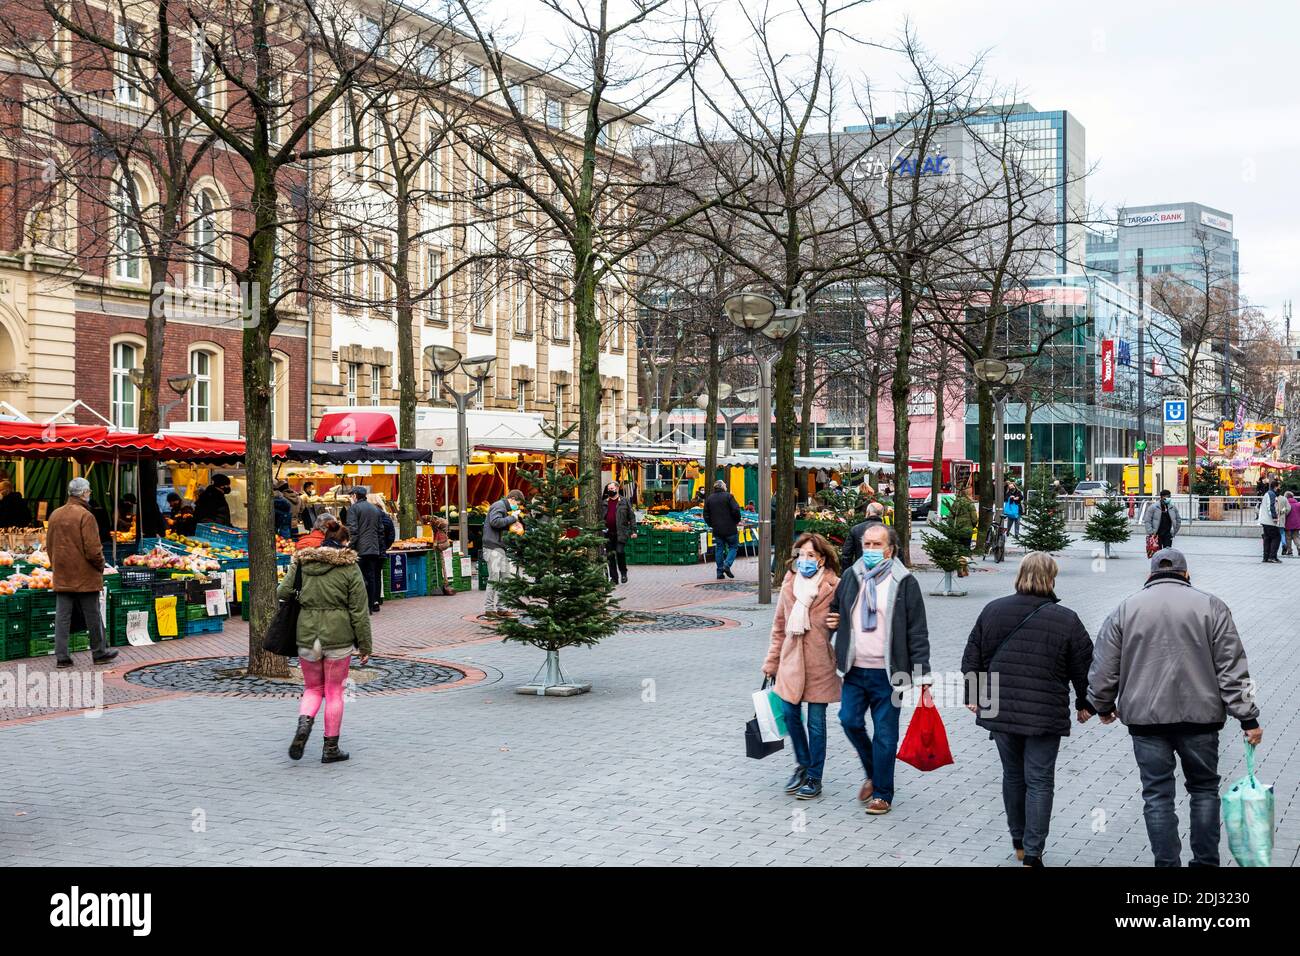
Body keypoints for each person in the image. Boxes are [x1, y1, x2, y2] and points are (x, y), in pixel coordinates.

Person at [1086, 548, 1262, 867]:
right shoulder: (1212, 606)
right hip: (1201, 721)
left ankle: (1167, 865)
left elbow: (1103, 668)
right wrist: (1248, 718)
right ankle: (1206, 862)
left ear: (1149, 575)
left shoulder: (1125, 609)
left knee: (1157, 795)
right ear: (1186, 574)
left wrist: (1102, 705)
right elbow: (1233, 667)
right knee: (1205, 791)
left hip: (1145, 722)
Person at [961, 552, 1093, 867]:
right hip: (1044, 714)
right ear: (1051, 578)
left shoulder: (993, 610)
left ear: (1019, 575)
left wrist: (974, 695)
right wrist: (1086, 704)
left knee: (1012, 775)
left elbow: (972, 658)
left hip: (1000, 710)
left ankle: (1018, 839)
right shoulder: (1067, 619)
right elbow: (1084, 667)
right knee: (1040, 779)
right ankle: (1033, 853)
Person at [829, 524, 932, 815]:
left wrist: (923, 674)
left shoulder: (904, 582)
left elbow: (917, 630)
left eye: (876, 545)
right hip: (854, 669)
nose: (870, 550)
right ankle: (874, 773)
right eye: (867, 544)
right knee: (849, 720)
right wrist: (831, 624)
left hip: (890, 673)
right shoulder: (852, 576)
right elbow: (835, 610)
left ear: (890, 550)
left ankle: (883, 793)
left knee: (885, 735)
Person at [281, 520, 372, 764]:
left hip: (307, 634)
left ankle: (304, 724)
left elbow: (282, 592)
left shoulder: (302, 562)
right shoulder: (349, 567)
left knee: (312, 689)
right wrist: (365, 645)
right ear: (344, 542)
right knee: (334, 692)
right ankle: (330, 748)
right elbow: (359, 610)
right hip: (338, 635)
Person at [763, 533, 842, 800]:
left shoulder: (835, 586)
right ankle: (803, 764)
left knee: (817, 723)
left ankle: (814, 777)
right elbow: (779, 627)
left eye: (811, 555)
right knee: (790, 714)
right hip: (791, 661)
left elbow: (850, 619)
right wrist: (771, 662)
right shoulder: (789, 584)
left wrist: (839, 622)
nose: (805, 560)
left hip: (820, 662)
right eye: (801, 555)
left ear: (822, 558)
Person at [48, 478, 116, 668]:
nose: (90, 494)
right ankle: (99, 652)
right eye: (89, 491)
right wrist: (101, 565)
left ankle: (62, 656)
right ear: (84, 493)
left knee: (62, 616)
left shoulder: (55, 514)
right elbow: (93, 550)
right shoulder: (86, 516)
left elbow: (49, 546)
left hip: (62, 573)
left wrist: (56, 565)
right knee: (92, 614)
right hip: (85, 574)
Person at [482, 489, 525, 615]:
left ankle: (502, 608)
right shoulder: (499, 506)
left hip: (500, 547)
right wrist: (512, 518)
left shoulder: (504, 508)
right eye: (517, 503)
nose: (517, 506)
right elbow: (495, 522)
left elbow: (501, 524)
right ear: (512, 499)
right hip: (493, 547)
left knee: (506, 578)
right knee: (494, 578)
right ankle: (489, 609)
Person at [344, 486, 385, 613]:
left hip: (360, 549)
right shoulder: (375, 509)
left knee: (359, 578)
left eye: (352, 495)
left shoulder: (353, 509)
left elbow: (353, 530)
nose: (351, 497)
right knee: (371, 576)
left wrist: (349, 547)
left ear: (356, 496)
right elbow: (380, 531)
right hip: (373, 549)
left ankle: (361, 605)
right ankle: (371, 604)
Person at [702, 480, 742, 580]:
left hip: (717, 529)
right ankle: (727, 565)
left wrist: (711, 524)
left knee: (719, 549)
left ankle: (720, 572)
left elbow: (705, 515)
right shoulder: (729, 496)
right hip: (730, 528)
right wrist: (736, 520)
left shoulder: (709, 499)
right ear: (723, 487)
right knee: (733, 547)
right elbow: (736, 509)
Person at [602, 481, 637, 585]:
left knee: (620, 552)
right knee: (610, 556)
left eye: (612, 489)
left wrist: (633, 530)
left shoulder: (624, 501)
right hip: (607, 533)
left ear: (617, 489)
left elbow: (631, 517)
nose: (610, 491)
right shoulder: (604, 502)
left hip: (621, 533)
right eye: (609, 489)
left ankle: (623, 572)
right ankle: (614, 578)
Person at [840, 500, 886, 568]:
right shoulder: (889, 531)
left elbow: (846, 555)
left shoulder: (856, 529)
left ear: (868, 513)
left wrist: (847, 573)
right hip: (883, 571)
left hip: (860, 570)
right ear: (882, 514)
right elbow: (898, 555)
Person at [1258, 478, 1284, 563]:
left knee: (1267, 538)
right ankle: (1272, 557)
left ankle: (1266, 557)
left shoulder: (1268, 493)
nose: (1280, 488)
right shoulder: (1271, 494)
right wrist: (1274, 518)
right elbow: (1271, 506)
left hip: (1265, 520)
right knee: (1277, 537)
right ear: (1276, 487)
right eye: (1279, 486)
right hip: (1269, 521)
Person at [1284, 491, 1300, 557]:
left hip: (1288, 524)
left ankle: (1289, 551)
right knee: (1296, 537)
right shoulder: (1298, 504)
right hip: (1297, 524)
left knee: (1288, 538)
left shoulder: (1286, 505)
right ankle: (1299, 547)